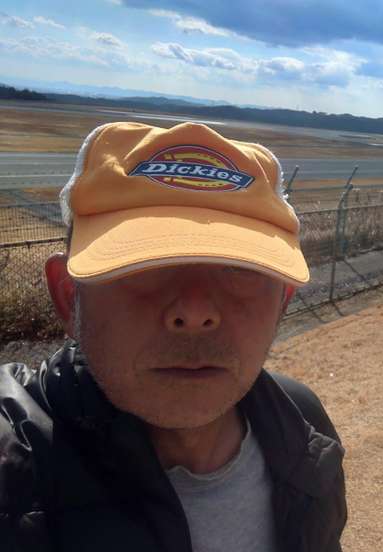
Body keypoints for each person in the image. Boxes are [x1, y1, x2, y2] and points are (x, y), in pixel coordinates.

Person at [0, 122, 347, 551]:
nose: (195, 311)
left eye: (237, 269)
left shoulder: (301, 427)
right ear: (70, 297)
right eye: (143, 265)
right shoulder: (14, 463)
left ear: (282, 302)